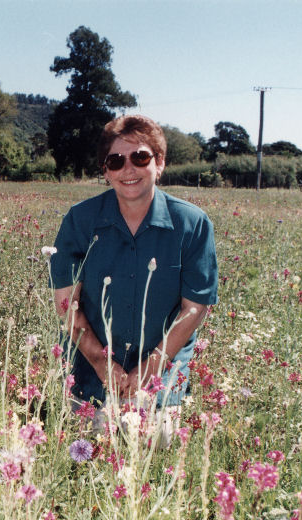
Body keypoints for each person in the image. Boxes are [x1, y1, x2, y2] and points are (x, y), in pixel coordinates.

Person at [49, 114, 218, 445]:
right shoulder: (80, 220)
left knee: (158, 447)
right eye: (115, 161)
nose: (128, 169)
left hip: (161, 369)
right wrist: (102, 365)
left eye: (140, 157)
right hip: (92, 370)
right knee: (89, 455)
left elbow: (195, 307)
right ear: (105, 171)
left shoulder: (193, 224)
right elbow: (67, 305)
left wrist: (150, 368)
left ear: (160, 163)